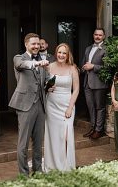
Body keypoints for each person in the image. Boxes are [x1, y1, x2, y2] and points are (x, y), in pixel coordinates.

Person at [10, 33, 49, 175]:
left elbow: (47, 78)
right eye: (33, 44)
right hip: (25, 105)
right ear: (26, 44)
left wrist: (50, 84)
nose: (36, 46)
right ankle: (24, 174)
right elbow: (21, 65)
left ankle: (37, 170)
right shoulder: (19, 58)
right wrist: (37, 63)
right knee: (23, 143)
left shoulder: (43, 59)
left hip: (41, 104)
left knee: (38, 142)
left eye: (38, 44)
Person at [43, 43, 80, 172]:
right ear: (56, 53)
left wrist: (70, 108)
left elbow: (76, 90)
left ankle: (66, 164)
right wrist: (47, 88)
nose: (61, 55)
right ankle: (52, 164)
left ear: (68, 55)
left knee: (66, 135)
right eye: (59, 52)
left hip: (66, 105)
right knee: (53, 135)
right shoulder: (49, 67)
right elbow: (43, 86)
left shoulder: (72, 69)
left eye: (64, 53)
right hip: (51, 105)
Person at [82, 29, 108, 139]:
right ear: (93, 35)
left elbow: (108, 67)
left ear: (104, 36)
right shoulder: (88, 48)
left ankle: (99, 129)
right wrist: (82, 68)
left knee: (99, 107)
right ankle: (92, 128)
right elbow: (83, 63)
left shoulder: (107, 49)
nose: (97, 36)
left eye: (100, 35)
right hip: (87, 82)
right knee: (91, 107)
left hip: (99, 83)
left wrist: (93, 66)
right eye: (96, 34)